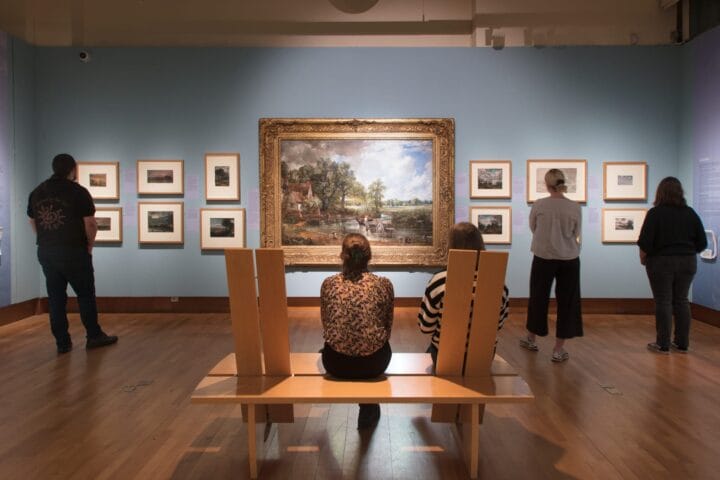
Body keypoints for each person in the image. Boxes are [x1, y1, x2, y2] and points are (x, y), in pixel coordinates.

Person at [27, 153, 118, 354]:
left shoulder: (37, 192)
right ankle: (93, 336)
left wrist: (44, 239)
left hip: (47, 252)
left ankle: (62, 342)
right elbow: (91, 224)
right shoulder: (78, 192)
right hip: (73, 250)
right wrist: (89, 246)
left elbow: (33, 220)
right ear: (72, 170)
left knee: (55, 297)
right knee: (85, 295)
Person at [320, 233, 394, 429]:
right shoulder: (383, 284)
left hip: (336, 364)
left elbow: (326, 324)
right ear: (369, 256)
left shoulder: (329, 284)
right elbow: (387, 327)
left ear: (342, 256)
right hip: (375, 364)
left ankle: (368, 406)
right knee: (376, 344)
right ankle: (369, 405)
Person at [418, 222, 509, 368]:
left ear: (451, 246)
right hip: (483, 358)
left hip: (445, 357)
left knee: (428, 352)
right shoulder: (498, 284)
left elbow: (425, 327)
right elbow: (498, 325)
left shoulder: (439, 280)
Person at [637, 177, 706, 354]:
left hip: (661, 262)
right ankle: (682, 343)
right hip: (687, 261)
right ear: (680, 192)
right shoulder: (690, 213)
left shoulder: (655, 213)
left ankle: (663, 344)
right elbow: (702, 243)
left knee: (663, 301)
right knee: (682, 300)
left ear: (660, 192)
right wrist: (687, 251)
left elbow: (645, 242)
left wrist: (644, 259)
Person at [520, 168, 582, 362]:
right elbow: (576, 232)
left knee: (538, 297)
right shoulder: (574, 207)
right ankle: (558, 348)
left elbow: (533, 227)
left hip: (543, 256)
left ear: (547, 185)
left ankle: (531, 338)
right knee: (568, 302)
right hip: (569, 258)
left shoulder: (539, 205)